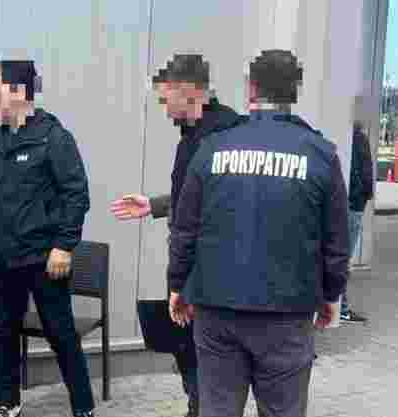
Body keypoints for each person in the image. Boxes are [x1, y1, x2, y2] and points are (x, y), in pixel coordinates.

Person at [167, 49, 349, 417]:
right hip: (287, 314)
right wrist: (332, 294)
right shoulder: (320, 154)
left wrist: (178, 285)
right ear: (295, 91)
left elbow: (186, 228)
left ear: (251, 88)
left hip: (217, 310)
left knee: (217, 409)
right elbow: (336, 240)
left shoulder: (212, 148)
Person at [109, 54, 242, 417]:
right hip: (201, 271)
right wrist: (154, 205)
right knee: (190, 353)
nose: (165, 109)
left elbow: (216, 211)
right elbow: (195, 197)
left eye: (165, 99)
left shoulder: (222, 136)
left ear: (187, 91)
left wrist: (184, 283)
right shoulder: (197, 134)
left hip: (211, 275)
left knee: (206, 361)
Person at [0, 59, 95, 417]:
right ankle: (7, 402)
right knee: (4, 332)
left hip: (44, 258)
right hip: (2, 258)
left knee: (61, 333)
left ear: (19, 91)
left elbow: (76, 194)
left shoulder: (53, 137)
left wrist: (64, 246)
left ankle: (83, 406)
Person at [340, 118, 374, 322]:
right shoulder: (358, 139)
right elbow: (365, 176)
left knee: (339, 257)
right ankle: (341, 308)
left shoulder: (344, 138)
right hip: (353, 205)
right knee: (343, 258)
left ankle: (339, 306)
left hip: (348, 202)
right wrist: (361, 199)